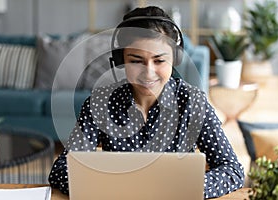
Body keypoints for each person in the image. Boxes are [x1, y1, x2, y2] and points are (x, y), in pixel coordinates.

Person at [48, 6, 244, 199]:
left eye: (159, 61)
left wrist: (185, 189)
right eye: (136, 61)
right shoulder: (100, 103)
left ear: (174, 59)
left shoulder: (193, 102)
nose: (149, 73)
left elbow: (232, 170)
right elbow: (61, 170)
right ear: (121, 60)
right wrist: (117, 188)